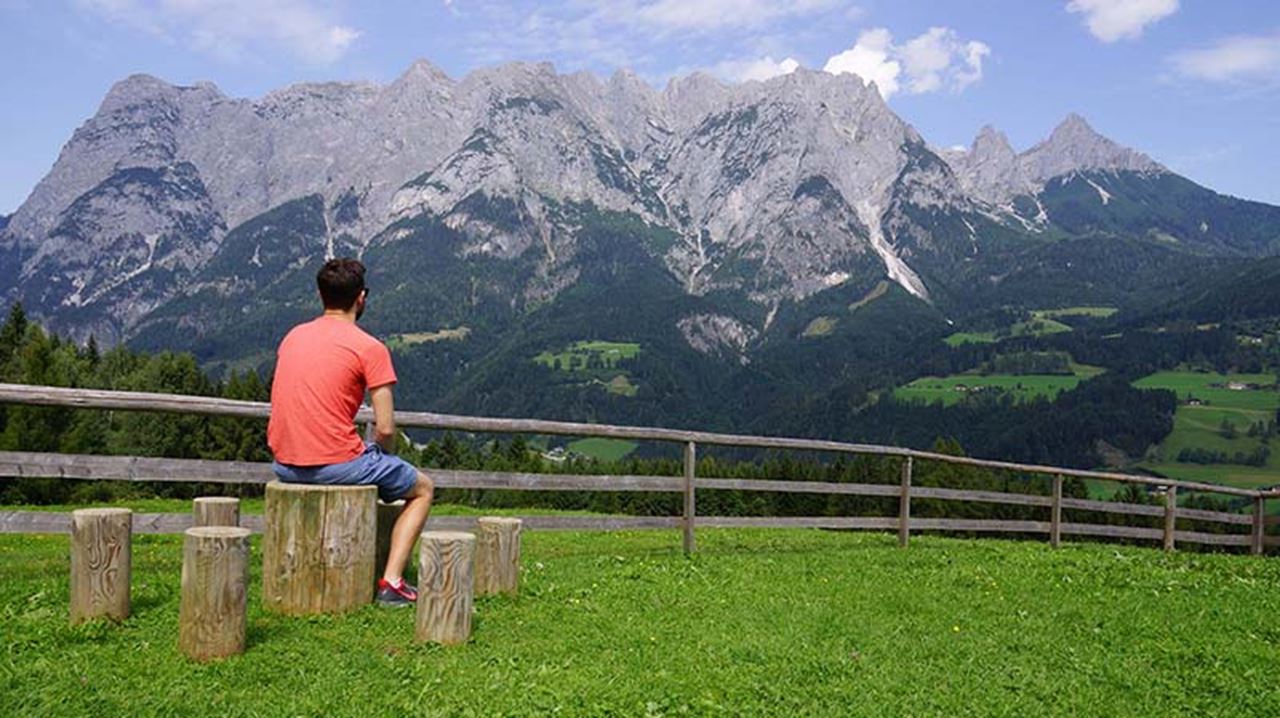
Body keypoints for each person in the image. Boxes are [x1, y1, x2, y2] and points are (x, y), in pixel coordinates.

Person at [267, 257, 434, 607]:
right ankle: (392, 582)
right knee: (422, 488)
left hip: (284, 463)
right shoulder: (370, 347)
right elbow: (385, 427)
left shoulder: (292, 337)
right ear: (361, 298)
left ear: (320, 295)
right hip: (336, 464)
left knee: (375, 466)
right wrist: (382, 457)